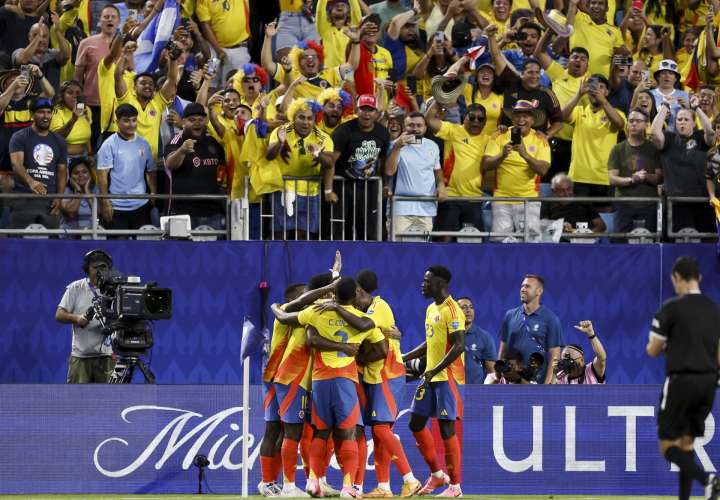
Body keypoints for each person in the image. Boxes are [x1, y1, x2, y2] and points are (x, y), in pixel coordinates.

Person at [275, 277, 387, 499]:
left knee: (320, 432)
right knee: (348, 433)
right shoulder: (363, 319)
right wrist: (361, 358)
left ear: (334, 295)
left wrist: (275, 308)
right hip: (345, 380)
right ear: (354, 296)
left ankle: (313, 481)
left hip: (319, 380)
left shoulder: (317, 313)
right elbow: (382, 349)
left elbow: (290, 320)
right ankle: (348, 487)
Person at [646, 256, 720, 500]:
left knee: (668, 446)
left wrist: (670, 344)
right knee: (687, 444)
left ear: (676, 278)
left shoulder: (671, 308)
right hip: (709, 383)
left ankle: (707, 479)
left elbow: (653, 349)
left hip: (681, 382)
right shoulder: (713, 309)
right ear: (699, 277)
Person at [402, 265, 465, 498]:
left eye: (427, 281)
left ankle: (455, 487)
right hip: (430, 375)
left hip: (447, 378)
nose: (423, 284)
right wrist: (404, 357)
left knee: (446, 429)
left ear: (441, 283)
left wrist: (435, 369)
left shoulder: (453, 309)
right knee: (415, 424)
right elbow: (431, 343)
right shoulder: (431, 309)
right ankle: (437, 474)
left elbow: (459, 346)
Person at [482, 100, 550, 242]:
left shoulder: (541, 140)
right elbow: (486, 165)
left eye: (526, 116)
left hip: (529, 200)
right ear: (512, 118)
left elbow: (543, 170)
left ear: (532, 120)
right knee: (500, 242)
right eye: (518, 116)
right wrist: (502, 155)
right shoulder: (499, 135)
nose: (521, 120)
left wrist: (525, 154)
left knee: (530, 242)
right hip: (501, 199)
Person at [650, 95, 716, 235]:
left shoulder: (700, 138)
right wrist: (664, 107)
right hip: (676, 203)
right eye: (679, 119)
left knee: (706, 243)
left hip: (703, 201)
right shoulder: (669, 139)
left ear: (693, 123)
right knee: (680, 244)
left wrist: (696, 108)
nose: (682, 123)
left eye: (686, 120)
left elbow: (710, 132)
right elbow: (654, 133)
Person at [329, 94, 391, 240]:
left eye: (370, 110)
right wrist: (328, 188)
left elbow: (382, 160)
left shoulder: (382, 133)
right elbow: (331, 161)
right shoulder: (344, 131)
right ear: (357, 110)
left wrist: (386, 184)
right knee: (341, 226)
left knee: (368, 227)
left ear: (376, 113)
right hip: (344, 185)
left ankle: (368, 258)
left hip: (369, 187)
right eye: (363, 109)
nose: (366, 113)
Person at [425, 100, 489, 239]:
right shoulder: (453, 130)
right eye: (471, 117)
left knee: (473, 244)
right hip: (450, 196)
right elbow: (429, 120)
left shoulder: (489, 140)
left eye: (480, 119)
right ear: (464, 117)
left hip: (474, 199)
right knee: (443, 242)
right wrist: (440, 99)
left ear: (485, 122)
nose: (476, 121)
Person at [562, 74, 626, 201]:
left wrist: (603, 101)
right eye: (593, 87)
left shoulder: (617, 112)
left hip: (604, 177)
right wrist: (578, 95)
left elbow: (619, 124)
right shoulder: (579, 111)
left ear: (607, 92)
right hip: (578, 176)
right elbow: (562, 116)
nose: (596, 90)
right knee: (579, 219)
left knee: (605, 219)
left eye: (601, 87)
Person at [55, 249, 115, 383]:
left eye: (103, 267)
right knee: (76, 400)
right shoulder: (76, 288)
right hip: (81, 356)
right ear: (87, 269)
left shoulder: (115, 288)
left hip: (108, 356)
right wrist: (77, 318)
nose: (99, 271)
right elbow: (59, 314)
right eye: (94, 268)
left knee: (109, 399)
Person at [164, 103, 226, 229]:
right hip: (183, 212)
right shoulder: (177, 140)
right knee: (182, 249)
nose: (197, 123)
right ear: (183, 122)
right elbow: (170, 164)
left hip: (212, 211)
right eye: (192, 120)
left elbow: (222, 168)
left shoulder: (212, 142)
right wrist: (182, 151)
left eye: (200, 120)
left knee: (212, 248)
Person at [9, 97, 67, 230]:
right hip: (24, 198)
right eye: (41, 112)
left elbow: (62, 172)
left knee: (50, 246)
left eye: (48, 112)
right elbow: (16, 164)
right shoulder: (20, 136)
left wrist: (59, 197)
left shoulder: (59, 141)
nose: (46, 116)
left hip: (49, 201)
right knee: (18, 243)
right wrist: (31, 182)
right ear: (32, 114)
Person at [385, 112, 445, 240]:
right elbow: (389, 171)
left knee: (423, 253)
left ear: (425, 128)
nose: (415, 129)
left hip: (427, 209)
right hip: (400, 208)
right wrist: (397, 147)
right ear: (404, 126)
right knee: (398, 251)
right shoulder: (394, 144)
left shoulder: (432, 146)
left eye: (419, 125)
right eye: (411, 125)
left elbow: (437, 170)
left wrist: (441, 185)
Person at [96, 103, 156, 232]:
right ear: (117, 122)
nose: (131, 124)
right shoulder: (108, 145)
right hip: (116, 206)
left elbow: (151, 171)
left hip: (141, 204)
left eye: (134, 120)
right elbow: (102, 176)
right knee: (118, 246)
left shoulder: (144, 144)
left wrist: (153, 193)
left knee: (143, 246)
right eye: (126, 121)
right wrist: (106, 202)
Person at [498, 274, 563, 384]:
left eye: (527, 286)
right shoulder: (509, 315)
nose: (523, 289)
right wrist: (500, 377)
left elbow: (554, 356)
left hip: (537, 383)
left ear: (539, 291)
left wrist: (547, 386)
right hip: (512, 382)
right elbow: (503, 350)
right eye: (522, 286)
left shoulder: (551, 319)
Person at [608, 107, 663, 235]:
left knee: (648, 243)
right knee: (620, 243)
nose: (633, 123)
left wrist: (645, 177)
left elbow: (660, 177)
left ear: (646, 124)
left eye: (638, 121)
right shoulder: (618, 149)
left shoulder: (653, 148)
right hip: (623, 204)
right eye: (631, 120)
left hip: (649, 204)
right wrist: (632, 179)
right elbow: (612, 179)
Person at [74, 4, 121, 148]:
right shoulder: (86, 43)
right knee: (92, 146)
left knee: (114, 148)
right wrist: (80, 106)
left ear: (119, 21)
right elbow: (77, 80)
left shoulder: (124, 45)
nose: (109, 20)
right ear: (100, 21)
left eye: (113, 17)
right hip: (91, 105)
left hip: (115, 106)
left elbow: (129, 75)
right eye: (106, 16)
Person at [196, 0, 251, 85]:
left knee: (237, 85)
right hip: (213, 51)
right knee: (209, 83)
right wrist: (218, 50)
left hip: (239, 49)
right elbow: (205, 26)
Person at [567, 0, 625, 78]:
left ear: (607, 8)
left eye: (600, 3)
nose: (596, 6)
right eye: (593, 3)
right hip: (575, 79)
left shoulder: (616, 31)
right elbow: (569, 6)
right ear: (587, 6)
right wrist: (573, 3)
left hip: (601, 83)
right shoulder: (578, 18)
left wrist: (615, 66)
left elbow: (624, 58)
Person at [12, 19, 71, 90]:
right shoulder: (19, 52)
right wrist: (38, 37)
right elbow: (23, 60)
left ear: (49, 38)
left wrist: (57, 31)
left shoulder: (54, 54)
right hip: (26, 99)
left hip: (51, 99)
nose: (41, 40)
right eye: (35, 35)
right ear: (29, 37)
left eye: (44, 36)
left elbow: (66, 55)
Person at [540, 173, 606, 237]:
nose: (566, 194)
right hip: (558, 240)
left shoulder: (583, 201)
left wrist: (588, 236)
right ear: (554, 191)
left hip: (582, 240)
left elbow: (601, 226)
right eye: (562, 190)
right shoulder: (548, 202)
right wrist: (559, 225)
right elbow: (543, 224)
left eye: (569, 189)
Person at [60, 156, 105, 233]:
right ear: (70, 177)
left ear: (90, 174)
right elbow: (71, 213)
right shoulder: (65, 191)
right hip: (70, 237)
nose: (81, 175)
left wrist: (87, 191)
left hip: (91, 234)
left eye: (84, 172)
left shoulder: (95, 189)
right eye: (76, 173)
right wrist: (78, 190)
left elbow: (99, 212)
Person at [50, 80, 93, 159]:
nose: (74, 96)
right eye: (70, 93)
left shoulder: (86, 110)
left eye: (78, 93)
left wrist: (90, 154)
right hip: (64, 157)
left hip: (84, 155)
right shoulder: (57, 111)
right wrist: (73, 119)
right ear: (63, 95)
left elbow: (87, 136)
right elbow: (56, 137)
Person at [458, 296, 496, 384]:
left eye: (471, 307)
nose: (468, 310)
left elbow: (492, 373)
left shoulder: (485, 337)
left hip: (476, 392)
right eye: (463, 307)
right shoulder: (448, 336)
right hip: (452, 392)